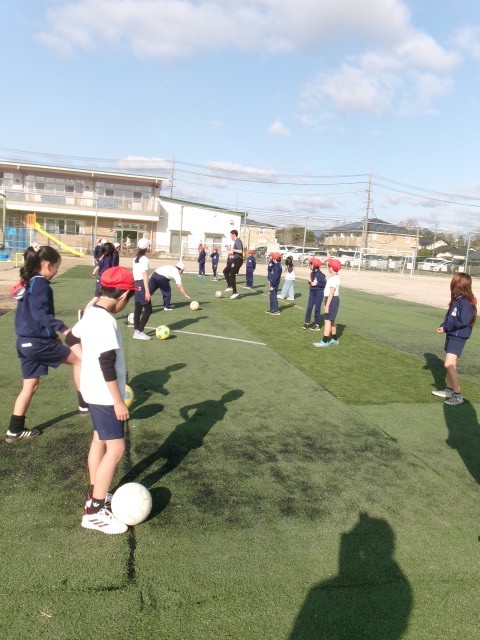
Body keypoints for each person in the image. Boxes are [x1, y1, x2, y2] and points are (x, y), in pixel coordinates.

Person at [71, 266, 138, 535]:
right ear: (122, 295)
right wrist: (118, 401)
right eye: (129, 297)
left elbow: (70, 338)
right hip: (104, 395)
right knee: (117, 449)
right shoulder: (106, 321)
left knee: (99, 439)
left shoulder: (91, 312)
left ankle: (95, 493)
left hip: (92, 391)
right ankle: (94, 512)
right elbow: (107, 362)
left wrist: (85, 361)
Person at [5, 245, 87, 444]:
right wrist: (63, 329)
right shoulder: (41, 284)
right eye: (57, 267)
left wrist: (52, 335)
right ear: (48, 265)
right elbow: (40, 313)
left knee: (30, 386)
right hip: (37, 344)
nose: (57, 271)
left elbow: (32, 316)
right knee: (79, 361)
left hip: (24, 343)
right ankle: (85, 404)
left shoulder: (29, 282)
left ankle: (14, 430)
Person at [431, 272, 477, 406]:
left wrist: (447, 327)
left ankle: (458, 395)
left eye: (454, 281)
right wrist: (444, 325)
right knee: (452, 364)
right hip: (452, 334)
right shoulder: (457, 299)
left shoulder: (466, 301)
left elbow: (464, 320)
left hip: (458, 336)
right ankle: (449, 390)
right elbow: (450, 317)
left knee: (449, 364)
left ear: (460, 284)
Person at [313, 258, 341, 347]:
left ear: (331, 268)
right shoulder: (335, 277)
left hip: (331, 300)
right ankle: (334, 339)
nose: (327, 267)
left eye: (328, 266)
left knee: (327, 321)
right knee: (331, 320)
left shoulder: (333, 279)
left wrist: (327, 305)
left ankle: (324, 341)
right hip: (332, 300)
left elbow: (331, 292)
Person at [132, 238, 152, 340]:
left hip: (136, 284)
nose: (150, 247)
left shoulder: (135, 258)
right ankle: (139, 331)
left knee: (138, 309)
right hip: (141, 285)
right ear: (146, 247)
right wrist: (147, 291)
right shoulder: (144, 259)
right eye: (149, 245)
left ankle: (136, 330)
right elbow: (144, 275)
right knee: (148, 310)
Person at [303, 258, 326, 331]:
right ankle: (306, 322)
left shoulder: (321, 274)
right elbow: (312, 283)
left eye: (311, 264)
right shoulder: (312, 273)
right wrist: (310, 282)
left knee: (317, 308)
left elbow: (324, 284)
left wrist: (317, 284)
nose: (309, 265)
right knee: (309, 307)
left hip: (319, 292)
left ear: (314, 265)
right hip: (312, 292)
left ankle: (317, 324)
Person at [223, 229, 243, 299]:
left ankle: (235, 292)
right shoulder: (236, 241)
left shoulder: (238, 241)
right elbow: (236, 252)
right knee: (225, 271)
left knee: (232, 274)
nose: (230, 236)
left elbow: (240, 251)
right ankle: (230, 286)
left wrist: (231, 249)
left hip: (238, 260)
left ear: (234, 235)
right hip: (235, 259)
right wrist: (230, 250)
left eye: (231, 235)